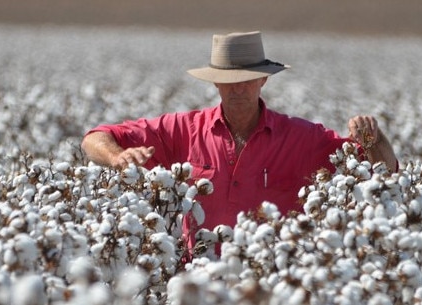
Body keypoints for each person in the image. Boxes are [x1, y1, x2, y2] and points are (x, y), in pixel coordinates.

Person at [81, 31, 398, 253]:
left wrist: (372, 139)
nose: (238, 89)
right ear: (216, 82)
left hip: (274, 282)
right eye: (230, 81)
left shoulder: (302, 138)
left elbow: (385, 175)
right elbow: (95, 138)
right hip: (200, 282)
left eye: (247, 79)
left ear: (263, 79)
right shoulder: (182, 129)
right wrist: (116, 158)